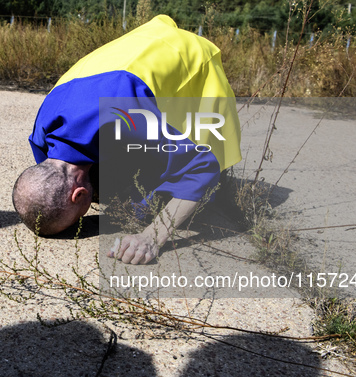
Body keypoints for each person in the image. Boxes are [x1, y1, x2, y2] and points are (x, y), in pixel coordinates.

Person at [13, 15, 241, 265]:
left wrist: (152, 237)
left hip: (191, 56)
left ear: (78, 195)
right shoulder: (40, 137)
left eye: (79, 216)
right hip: (120, 60)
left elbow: (203, 166)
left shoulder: (125, 119)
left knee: (203, 160)